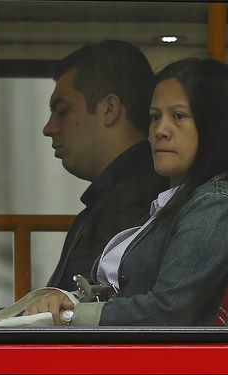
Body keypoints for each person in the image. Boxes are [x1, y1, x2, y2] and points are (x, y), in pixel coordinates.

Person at [25, 58, 228, 325]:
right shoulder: (171, 203)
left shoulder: (216, 206)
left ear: (215, 126)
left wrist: (70, 315)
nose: (160, 130)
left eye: (178, 116)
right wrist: (66, 300)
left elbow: (167, 309)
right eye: (155, 117)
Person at [43, 40, 167, 290]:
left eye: (63, 110)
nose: (49, 128)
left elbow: (78, 315)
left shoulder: (135, 203)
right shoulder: (114, 197)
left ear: (109, 109)